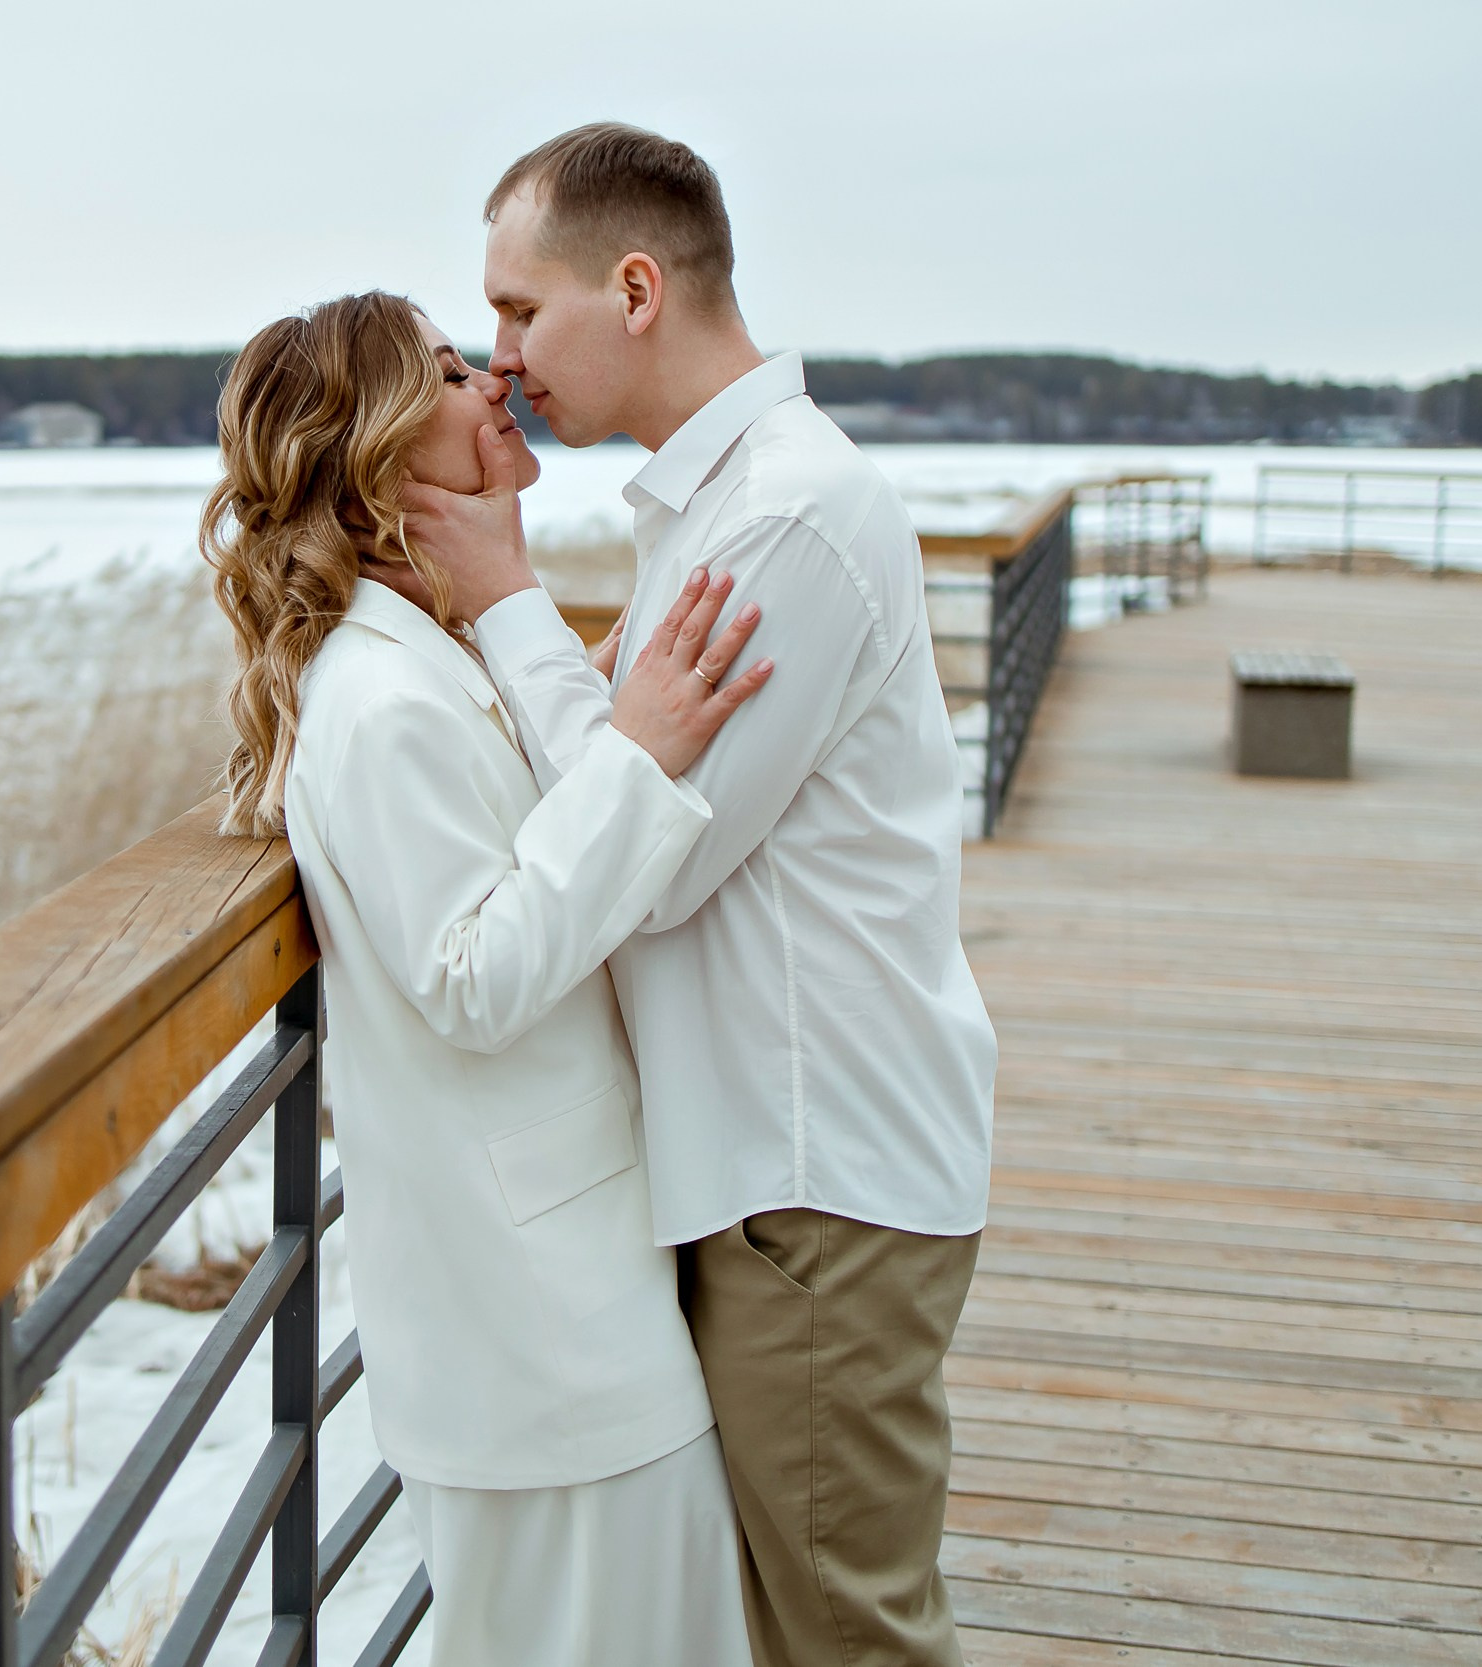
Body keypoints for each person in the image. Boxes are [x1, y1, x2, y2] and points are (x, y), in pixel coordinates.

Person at [398, 124, 999, 1666]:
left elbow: (649, 862)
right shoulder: (726, 506)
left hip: (812, 1175)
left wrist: (509, 601)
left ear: (636, 290)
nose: (501, 356)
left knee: (845, 1637)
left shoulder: (783, 518)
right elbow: (634, 786)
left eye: (521, 310)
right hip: (775, 1163)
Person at [200, 289, 771, 1667]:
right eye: (451, 372)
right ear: (381, 457)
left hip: (568, 1310)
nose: (494, 381)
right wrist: (636, 758)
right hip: (545, 1334)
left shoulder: (419, 662)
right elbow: (470, 974)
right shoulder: (381, 702)